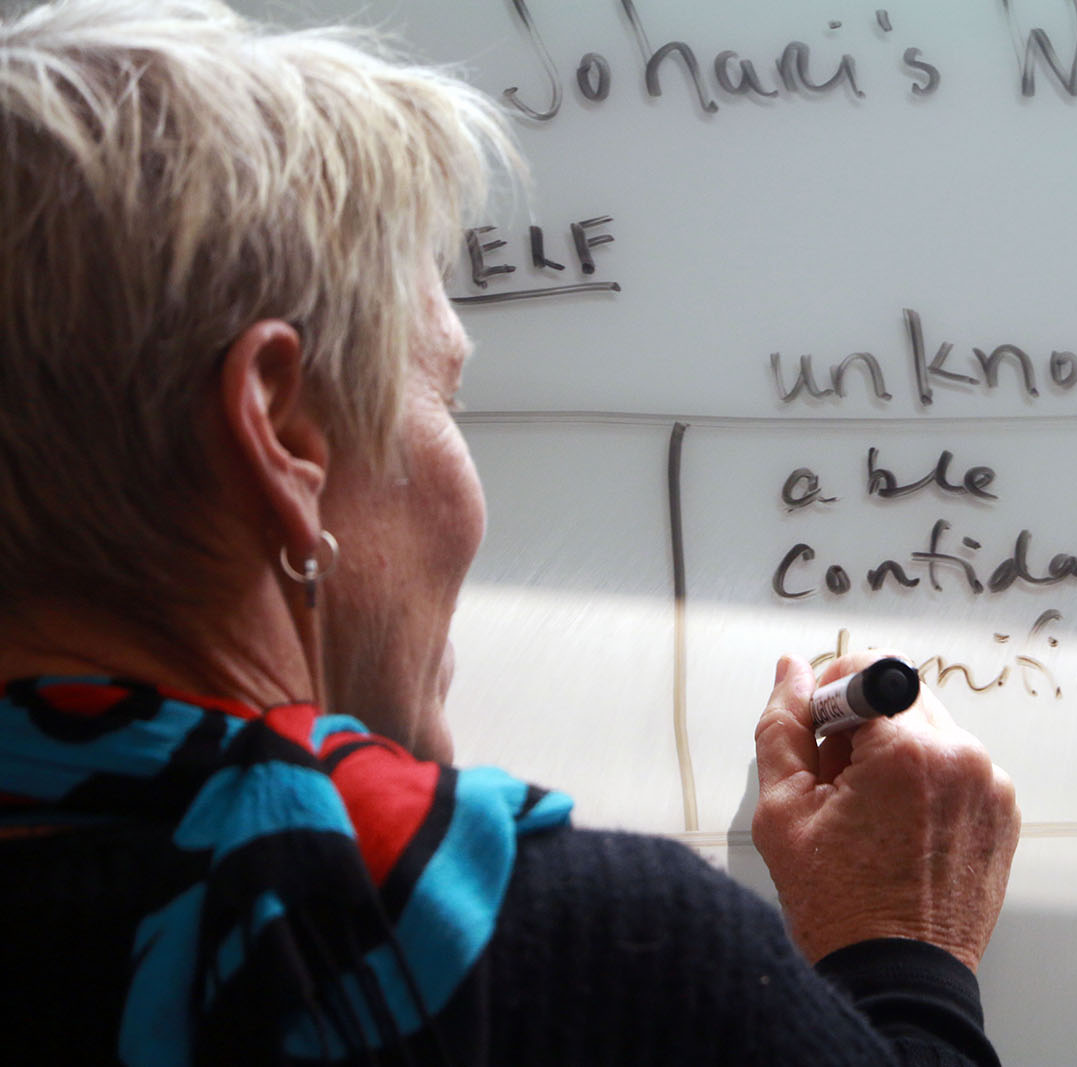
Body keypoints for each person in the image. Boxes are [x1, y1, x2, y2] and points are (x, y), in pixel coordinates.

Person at [0, 1, 1022, 1063]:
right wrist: (906, 949)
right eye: (446, 399)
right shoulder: (569, 961)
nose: (477, 495)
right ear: (286, 434)